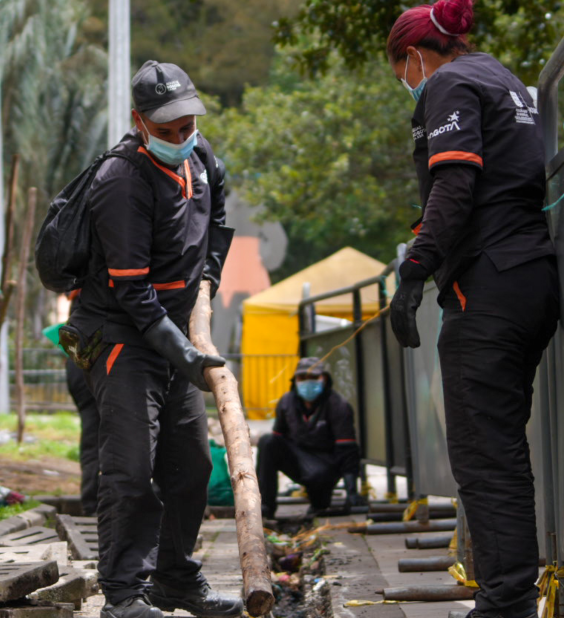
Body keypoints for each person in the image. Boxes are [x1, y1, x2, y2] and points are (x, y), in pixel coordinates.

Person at [386, 0, 561, 618]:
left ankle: (504, 604)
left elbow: (455, 184)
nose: (405, 85)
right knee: (501, 451)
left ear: (412, 56)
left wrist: (414, 269)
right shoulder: (504, 79)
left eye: (400, 73)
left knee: (486, 459)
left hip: (487, 287)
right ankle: (507, 594)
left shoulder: (448, 85)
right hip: (531, 278)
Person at [63, 60, 239, 618]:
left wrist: (208, 278)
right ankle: (122, 594)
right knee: (132, 468)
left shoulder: (201, 156)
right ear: (140, 122)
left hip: (176, 327)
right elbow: (135, 295)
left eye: (188, 125)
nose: (181, 138)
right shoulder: (121, 183)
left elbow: (219, 221)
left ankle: (175, 580)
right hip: (121, 332)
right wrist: (187, 356)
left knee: (191, 467)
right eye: (167, 131)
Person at [256, 357, 361, 519]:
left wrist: (351, 492)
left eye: (313, 378)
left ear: (324, 379)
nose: (307, 383)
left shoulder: (338, 405)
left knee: (320, 498)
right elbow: (278, 439)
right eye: (302, 378)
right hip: (298, 457)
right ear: (295, 381)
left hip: (325, 464)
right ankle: (265, 506)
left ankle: (319, 500)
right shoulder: (286, 402)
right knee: (267, 441)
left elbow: (347, 450)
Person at [64, 292, 101, 516]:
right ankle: (93, 504)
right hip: (90, 364)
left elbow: (69, 339)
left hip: (77, 363)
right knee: (98, 435)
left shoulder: (75, 287)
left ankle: (91, 503)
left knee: (92, 436)